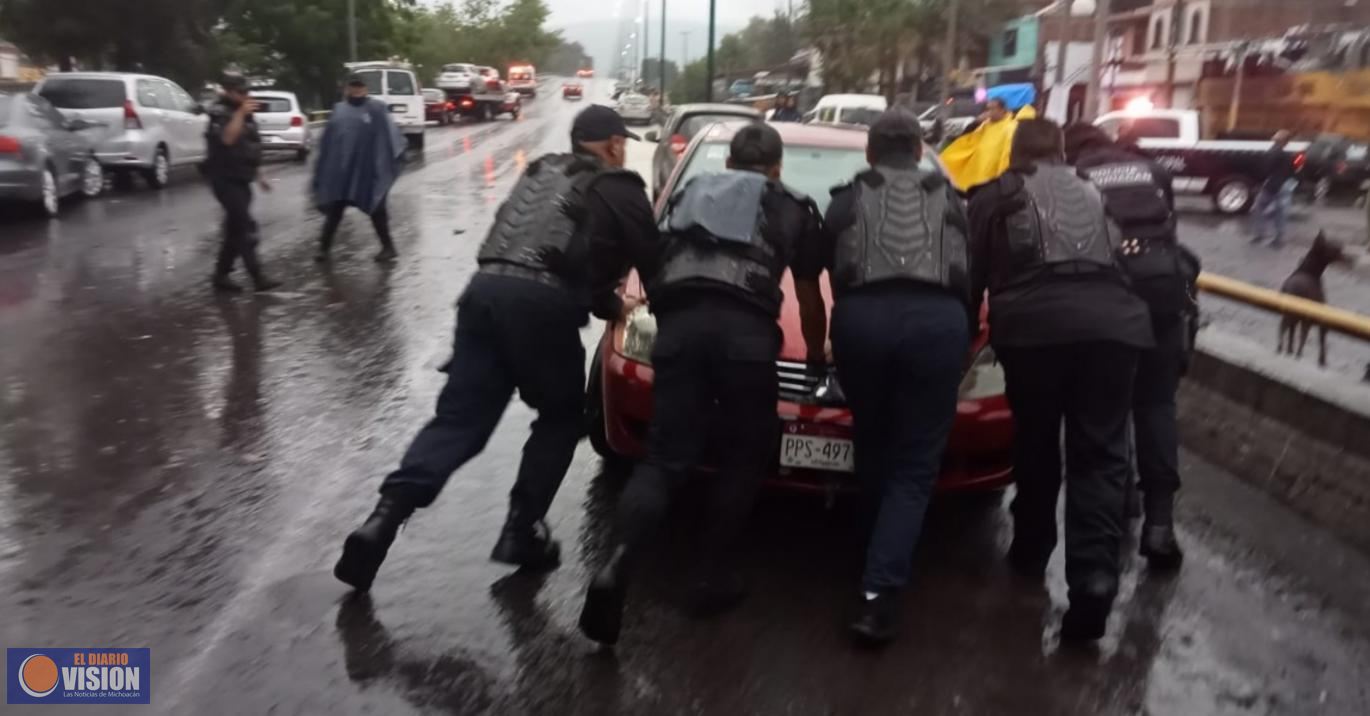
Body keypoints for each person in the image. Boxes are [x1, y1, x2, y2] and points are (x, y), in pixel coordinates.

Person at [333, 105, 655, 593]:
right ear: (612, 145)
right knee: (562, 416)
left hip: (484, 293)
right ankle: (521, 530)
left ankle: (382, 519)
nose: (624, 150)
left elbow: (551, 247)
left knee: (459, 421)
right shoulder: (622, 188)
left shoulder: (540, 172)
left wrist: (609, 305)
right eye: (622, 143)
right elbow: (654, 264)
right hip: (542, 307)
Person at [577, 123, 826, 646]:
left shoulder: (692, 192)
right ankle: (711, 578)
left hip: (680, 329)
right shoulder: (793, 206)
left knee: (665, 459)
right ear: (777, 169)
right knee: (743, 455)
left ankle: (617, 566)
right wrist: (821, 357)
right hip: (746, 338)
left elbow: (657, 258)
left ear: (730, 165)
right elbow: (808, 299)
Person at [967, 119, 1155, 642]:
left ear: (1015, 153)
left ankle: (1030, 548)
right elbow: (1127, 258)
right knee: (1099, 455)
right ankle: (1094, 580)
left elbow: (971, 278)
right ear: (1062, 152)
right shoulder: (1098, 191)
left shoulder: (994, 197)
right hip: (1114, 330)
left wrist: (963, 349)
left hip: (1032, 333)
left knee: (1036, 439)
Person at [815, 109, 973, 646]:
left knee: (873, 440)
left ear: (869, 153)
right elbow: (971, 273)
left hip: (862, 322)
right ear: (924, 146)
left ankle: (869, 552)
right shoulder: (954, 202)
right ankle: (878, 594)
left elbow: (818, 268)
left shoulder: (845, 199)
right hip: (937, 324)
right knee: (914, 463)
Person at [1066, 122, 1197, 572]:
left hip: (1109, 298)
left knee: (1107, 405)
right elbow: (1173, 234)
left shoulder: (1075, 175)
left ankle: (1119, 503)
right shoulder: (1151, 170)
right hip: (1164, 293)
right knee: (1157, 404)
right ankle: (1160, 526)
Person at [312, 75, 407, 263]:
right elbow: (329, 141)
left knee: (376, 207)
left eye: (360, 87)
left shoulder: (376, 109)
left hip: (368, 170)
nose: (356, 91)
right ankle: (323, 249)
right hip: (343, 172)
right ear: (346, 89)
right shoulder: (339, 111)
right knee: (335, 209)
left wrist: (390, 158)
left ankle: (388, 247)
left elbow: (390, 136)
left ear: (365, 89)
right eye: (353, 87)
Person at [205, 74, 279, 292]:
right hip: (224, 178)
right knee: (246, 227)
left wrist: (259, 175)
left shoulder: (245, 114)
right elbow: (227, 139)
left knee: (234, 229)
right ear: (227, 91)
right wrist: (240, 113)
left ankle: (221, 275)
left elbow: (250, 146)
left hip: (242, 177)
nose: (246, 96)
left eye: (247, 92)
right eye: (241, 92)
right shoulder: (220, 113)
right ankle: (258, 277)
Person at [940, 98, 1037, 191]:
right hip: (973, 173)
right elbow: (966, 138)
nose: (988, 112)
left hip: (991, 180)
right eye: (987, 108)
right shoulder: (985, 124)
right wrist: (976, 122)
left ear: (1002, 110)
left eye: (992, 109)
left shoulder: (1011, 127)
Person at [1250, 130, 1296, 248]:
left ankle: (1259, 234)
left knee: (1259, 208)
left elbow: (1265, 169)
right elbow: (1293, 171)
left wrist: (1258, 183)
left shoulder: (1273, 152)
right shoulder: (1288, 155)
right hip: (1286, 185)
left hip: (1272, 185)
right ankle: (1279, 238)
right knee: (1281, 213)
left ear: (1276, 140)